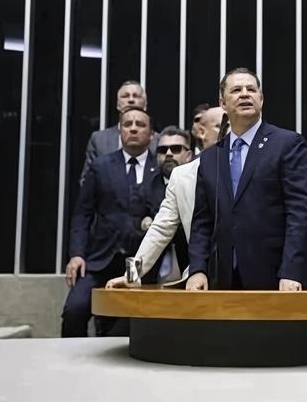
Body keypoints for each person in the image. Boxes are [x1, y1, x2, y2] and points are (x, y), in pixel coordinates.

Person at [186, 68, 307, 291]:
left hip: (277, 277)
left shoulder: (287, 144)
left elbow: (301, 212)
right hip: (222, 279)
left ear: (261, 99)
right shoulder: (210, 158)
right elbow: (202, 222)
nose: (245, 94)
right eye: (236, 90)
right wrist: (198, 269)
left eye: (251, 89)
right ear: (223, 103)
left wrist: (291, 271)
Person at [61, 108, 157, 337]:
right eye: (128, 124)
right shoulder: (101, 166)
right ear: (120, 131)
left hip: (138, 263)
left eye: (140, 124)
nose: (133, 129)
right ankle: (71, 356)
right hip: (100, 258)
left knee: (125, 320)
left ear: (152, 134)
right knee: (75, 309)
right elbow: (82, 214)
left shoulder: (159, 169)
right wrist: (77, 254)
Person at [106, 108, 226, 289]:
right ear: (201, 132)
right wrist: (131, 274)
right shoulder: (181, 176)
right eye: (221, 125)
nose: (229, 131)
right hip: (201, 276)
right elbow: (160, 228)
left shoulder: (254, 167)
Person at [136, 126, 194, 284]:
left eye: (176, 149)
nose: (168, 153)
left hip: (192, 264)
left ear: (189, 155)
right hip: (151, 267)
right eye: (162, 150)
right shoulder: (145, 186)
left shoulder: (200, 182)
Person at [79, 80, 158, 185]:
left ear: (145, 104)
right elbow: (86, 181)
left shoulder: (159, 140)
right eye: (125, 96)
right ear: (118, 104)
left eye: (136, 96)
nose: (131, 100)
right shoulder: (99, 140)